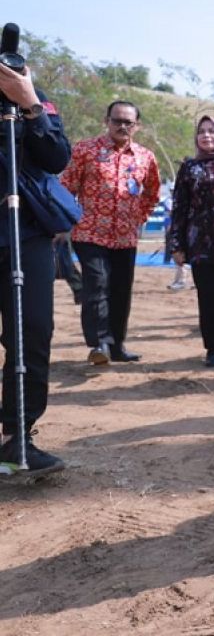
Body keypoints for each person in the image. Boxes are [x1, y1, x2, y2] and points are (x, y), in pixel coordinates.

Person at [0, 55, 71, 476]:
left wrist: (28, 102)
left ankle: (17, 435)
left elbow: (57, 157)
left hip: (25, 233)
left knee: (32, 332)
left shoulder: (33, 100)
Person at [60, 100, 161, 365]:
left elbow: (152, 193)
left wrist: (138, 218)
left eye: (128, 122)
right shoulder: (85, 150)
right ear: (106, 121)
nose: (122, 126)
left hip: (126, 236)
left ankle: (117, 345)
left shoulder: (146, 157)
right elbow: (66, 186)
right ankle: (99, 343)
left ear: (137, 126)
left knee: (121, 290)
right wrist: (70, 221)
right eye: (117, 120)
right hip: (90, 233)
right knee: (98, 284)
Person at [167, 115, 214, 367]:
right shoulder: (189, 167)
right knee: (208, 298)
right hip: (201, 244)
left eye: (212, 131)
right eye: (202, 131)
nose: (207, 135)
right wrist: (176, 245)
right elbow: (179, 207)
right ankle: (213, 347)